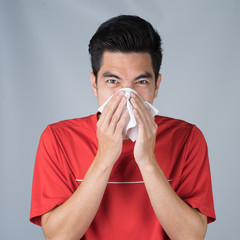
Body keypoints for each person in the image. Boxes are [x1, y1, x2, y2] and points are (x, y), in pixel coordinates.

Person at [30, 15, 216, 240]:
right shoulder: (58, 139)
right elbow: (58, 236)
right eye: (112, 81)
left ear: (156, 86)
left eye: (141, 82)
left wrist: (147, 161)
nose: (128, 96)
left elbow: (192, 237)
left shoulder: (187, 138)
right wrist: (105, 157)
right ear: (94, 84)